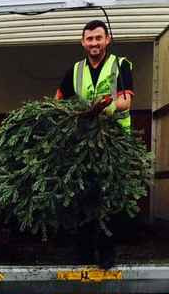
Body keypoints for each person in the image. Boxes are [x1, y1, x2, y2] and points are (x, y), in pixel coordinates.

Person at [56, 20, 135, 267]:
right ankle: (84, 253)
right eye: (89, 39)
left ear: (107, 40)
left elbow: (125, 102)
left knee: (108, 196)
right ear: (83, 42)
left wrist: (104, 108)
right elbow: (57, 100)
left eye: (98, 38)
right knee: (84, 196)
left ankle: (107, 252)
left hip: (114, 139)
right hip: (84, 142)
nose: (94, 43)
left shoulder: (120, 65)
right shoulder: (75, 70)